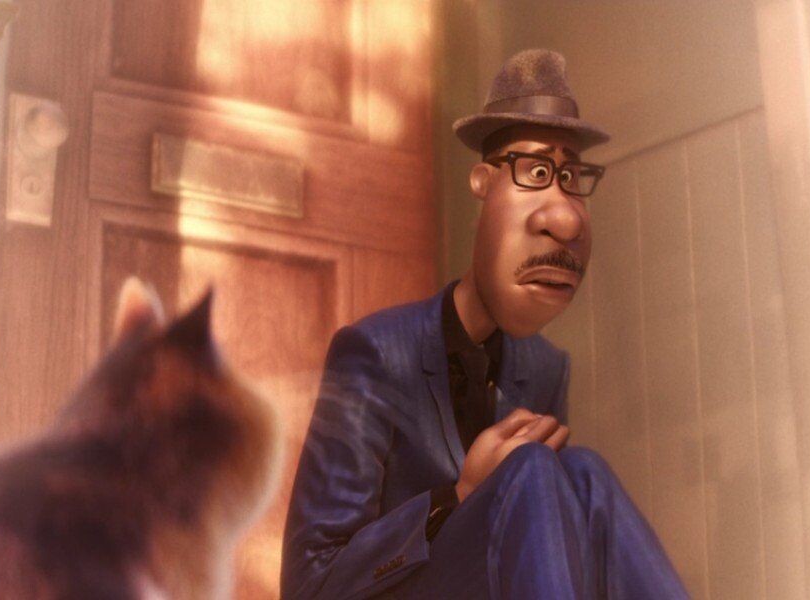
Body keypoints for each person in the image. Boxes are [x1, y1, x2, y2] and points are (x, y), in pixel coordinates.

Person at [280, 49, 688, 599]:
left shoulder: (545, 367)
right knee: (533, 469)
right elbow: (310, 583)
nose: (563, 218)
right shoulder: (375, 353)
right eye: (537, 172)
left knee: (584, 472)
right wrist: (458, 495)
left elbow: (544, 542)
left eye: (571, 177)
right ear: (483, 182)